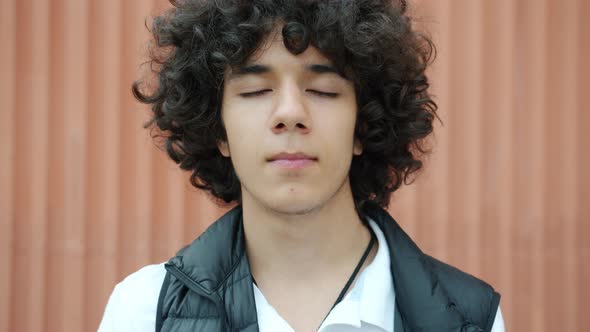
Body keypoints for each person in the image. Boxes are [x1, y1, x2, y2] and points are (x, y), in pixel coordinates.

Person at [99, 0, 505, 331]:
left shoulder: (472, 319)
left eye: (322, 89)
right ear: (217, 129)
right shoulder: (143, 311)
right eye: (256, 89)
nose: (290, 112)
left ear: (364, 125)